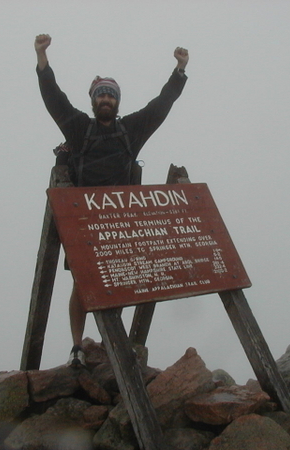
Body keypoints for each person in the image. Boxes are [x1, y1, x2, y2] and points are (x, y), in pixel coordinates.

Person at [34, 33, 189, 366]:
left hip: (121, 223)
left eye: (111, 95)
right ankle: (78, 346)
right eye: (101, 94)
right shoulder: (79, 129)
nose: (106, 99)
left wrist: (179, 71)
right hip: (83, 221)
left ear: (117, 102)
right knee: (82, 282)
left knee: (116, 282)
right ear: (93, 100)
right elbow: (54, 99)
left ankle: (109, 345)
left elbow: (160, 106)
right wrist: (42, 61)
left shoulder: (130, 130)